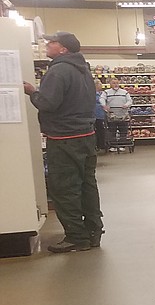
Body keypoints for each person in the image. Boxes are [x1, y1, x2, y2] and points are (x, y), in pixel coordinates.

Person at [22, 31, 103, 252]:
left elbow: (48, 103)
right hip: (86, 135)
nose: (47, 45)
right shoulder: (83, 69)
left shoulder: (58, 71)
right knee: (87, 185)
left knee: (65, 188)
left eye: (52, 42)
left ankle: (77, 237)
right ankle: (94, 231)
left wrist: (32, 92)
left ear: (64, 49)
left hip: (64, 138)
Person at [101, 77, 133, 145]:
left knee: (123, 131)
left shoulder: (124, 92)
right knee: (112, 131)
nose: (116, 85)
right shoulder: (106, 92)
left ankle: (122, 145)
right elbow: (102, 99)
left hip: (123, 115)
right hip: (111, 115)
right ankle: (113, 145)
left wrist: (126, 105)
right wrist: (104, 105)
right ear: (110, 84)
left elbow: (130, 100)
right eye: (113, 83)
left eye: (117, 83)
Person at [93, 84, 108, 153]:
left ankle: (101, 144)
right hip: (95, 114)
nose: (101, 86)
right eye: (99, 84)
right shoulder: (92, 94)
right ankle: (98, 144)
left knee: (101, 130)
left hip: (101, 115)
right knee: (96, 130)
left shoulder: (103, 93)